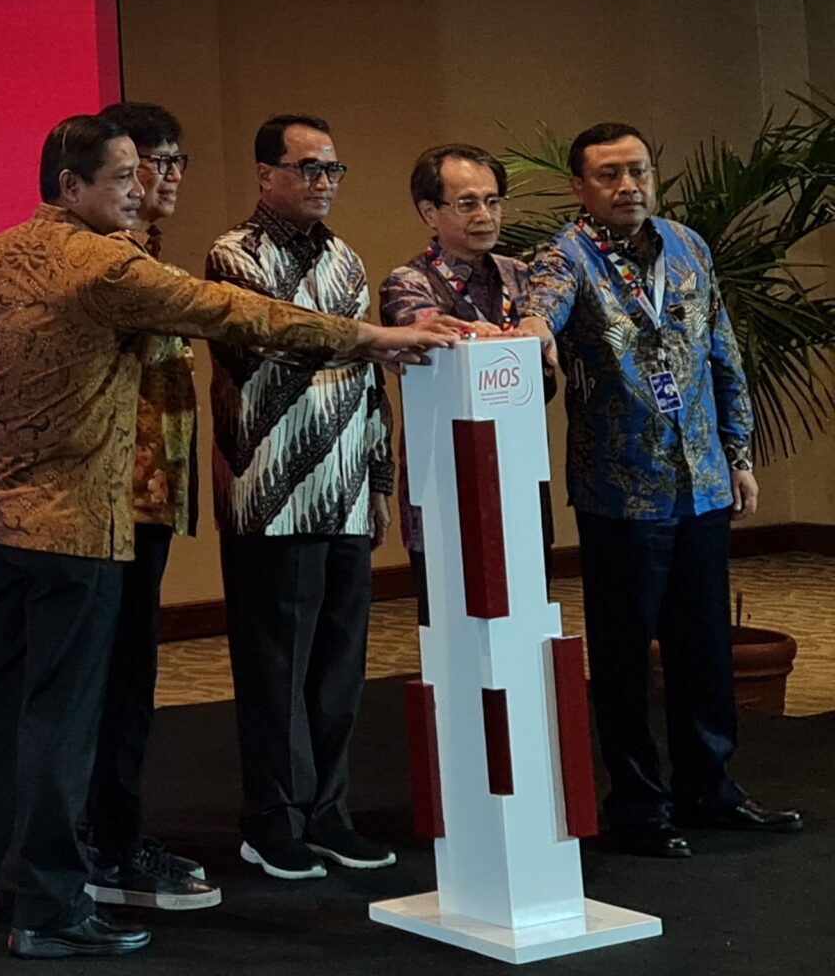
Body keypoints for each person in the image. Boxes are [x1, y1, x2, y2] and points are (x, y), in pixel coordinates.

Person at [0, 115, 462, 957]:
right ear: (70, 186)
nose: (138, 191)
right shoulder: (107, 264)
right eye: (122, 179)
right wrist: (373, 337)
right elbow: (236, 313)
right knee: (64, 723)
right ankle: (49, 911)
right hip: (75, 531)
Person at [511, 123, 803, 856]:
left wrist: (738, 453)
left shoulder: (689, 246)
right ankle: (639, 805)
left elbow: (722, 353)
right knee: (622, 658)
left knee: (703, 647)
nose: (627, 187)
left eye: (637, 171)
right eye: (608, 175)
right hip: (621, 492)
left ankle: (710, 788)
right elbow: (542, 305)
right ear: (580, 187)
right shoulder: (566, 257)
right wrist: (534, 329)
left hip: (700, 482)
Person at [203, 115, 395, 881]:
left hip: (345, 488)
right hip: (271, 491)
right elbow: (275, 342)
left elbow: (369, 377)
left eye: (332, 169)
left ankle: (328, 813)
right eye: (307, 167)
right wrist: (362, 339)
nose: (322, 182)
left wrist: (379, 478)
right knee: (275, 669)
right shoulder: (233, 255)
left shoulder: (347, 259)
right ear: (265, 174)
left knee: (339, 666)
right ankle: (271, 820)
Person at [80, 102, 217, 913]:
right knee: (114, 684)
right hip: (109, 507)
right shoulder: (111, 265)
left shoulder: (147, 252)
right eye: (145, 164)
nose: (163, 178)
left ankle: (110, 835)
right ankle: (106, 844)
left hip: (148, 502)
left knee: (129, 679)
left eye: (173, 161)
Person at [378, 145, 533, 617]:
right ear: (430, 212)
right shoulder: (409, 283)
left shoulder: (521, 276)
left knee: (526, 611)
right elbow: (434, 335)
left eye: (493, 201)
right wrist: (503, 337)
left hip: (521, 468)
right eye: (467, 203)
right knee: (450, 619)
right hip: (444, 474)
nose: (485, 215)